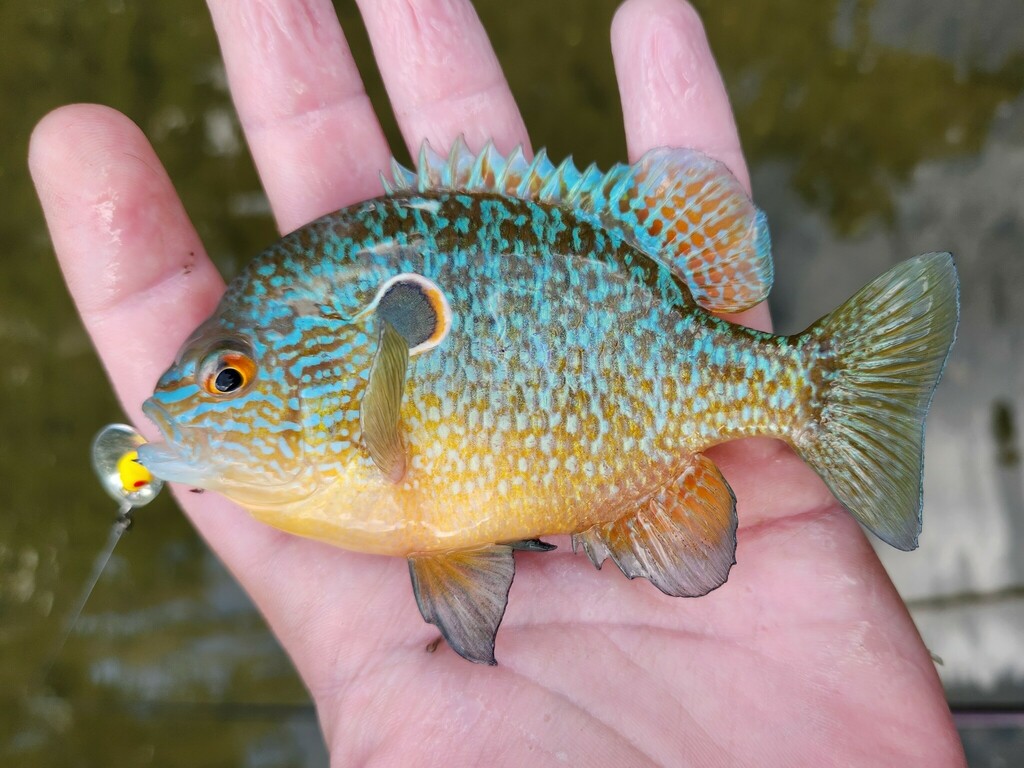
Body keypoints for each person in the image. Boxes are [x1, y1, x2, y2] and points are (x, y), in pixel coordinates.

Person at [29, 0, 965, 763]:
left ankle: (819, 389)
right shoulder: (326, 460)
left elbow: (430, 518)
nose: (197, 406)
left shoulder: (370, 445)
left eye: (229, 377)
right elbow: (441, 539)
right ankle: (819, 389)